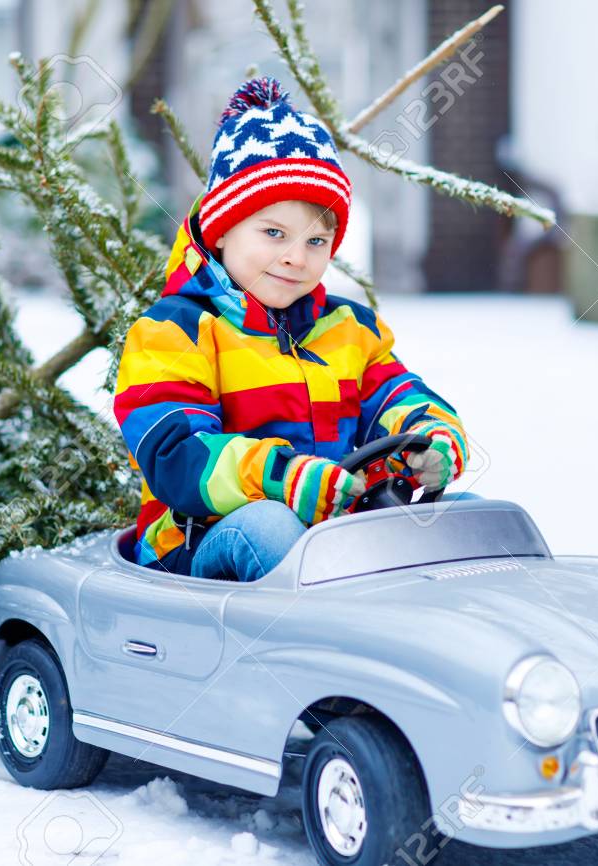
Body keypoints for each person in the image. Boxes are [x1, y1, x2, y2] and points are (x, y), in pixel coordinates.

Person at [112, 76, 469, 581]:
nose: (296, 257)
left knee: (464, 520)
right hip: (201, 544)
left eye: (317, 240)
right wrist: (281, 477)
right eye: (273, 233)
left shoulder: (349, 328)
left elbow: (397, 394)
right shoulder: (174, 332)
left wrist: (433, 439)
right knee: (271, 527)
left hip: (337, 540)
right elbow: (175, 453)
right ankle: (316, 652)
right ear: (222, 228)